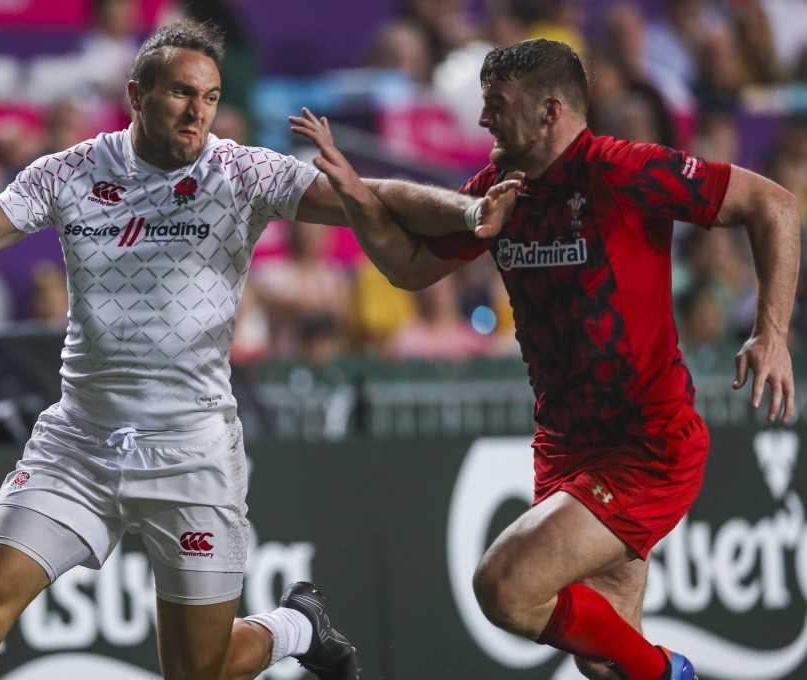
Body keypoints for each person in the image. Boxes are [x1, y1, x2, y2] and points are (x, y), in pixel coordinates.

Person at [0, 19, 521, 680]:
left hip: (191, 452)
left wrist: (466, 210)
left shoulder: (242, 174)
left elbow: (370, 196)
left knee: (199, 670)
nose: (200, 113)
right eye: (183, 94)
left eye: (212, 98)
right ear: (137, 95)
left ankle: (295, 628)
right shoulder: (71, 172)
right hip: (79, 441)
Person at [291, 38, 798, 680]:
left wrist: (771, 331)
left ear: (550, 110)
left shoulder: (623, 171)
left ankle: (669, 670)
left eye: (496, 106)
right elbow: (409, 266)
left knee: (503, 587)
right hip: (565, 447)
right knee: (603, 662)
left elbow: (773, 204)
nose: (481, 120)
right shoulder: (500, 192)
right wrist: (352, 189)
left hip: (646, 444)